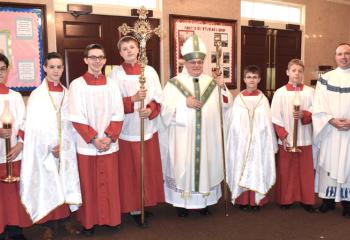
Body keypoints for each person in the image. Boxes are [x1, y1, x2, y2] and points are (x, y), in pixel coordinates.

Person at [160, 35, 232, 217]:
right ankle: (180, 204)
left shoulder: (211, 82)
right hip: (183, 138)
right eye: (193, 62)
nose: (197, 66)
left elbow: (226, 105)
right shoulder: (173, 84)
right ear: (185, 63)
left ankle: (205, 203)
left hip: (207, 137)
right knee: (182, 167)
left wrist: (222, 87)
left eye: (200, 62)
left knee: (206, 165)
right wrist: (185, 104)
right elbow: (165, 111)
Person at [20, 52, 82, 239]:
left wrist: (63, 146)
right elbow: (34, 125)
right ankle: (48, 225)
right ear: (45, 68)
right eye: (52, 67)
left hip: (65, 149)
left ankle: (65, 220)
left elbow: (72, 123)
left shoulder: (68, 93)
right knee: (49, 183)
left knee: (65, 182)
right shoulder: (37, 95)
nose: (56, 71)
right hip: (44, 151)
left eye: (59, 67)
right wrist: (50, 146)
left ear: (63, 69)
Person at [68, 44, 124, 235]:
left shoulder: (112, 85)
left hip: (108, 143)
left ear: (105, 60)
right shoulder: (76, 85)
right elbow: (76, 116)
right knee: (88, 184)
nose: (97, 61)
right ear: (85, 60)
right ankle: (88, 222)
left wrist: (108, 137)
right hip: (87, 145)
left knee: (110, 182)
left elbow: (118, 113)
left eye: (100, 57)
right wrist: (94, 140)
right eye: (92, 57)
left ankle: (111, 219)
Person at [108, 36, 164, 226]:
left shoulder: (149, 71)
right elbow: (111, 103)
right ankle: (133, 207)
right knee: (130, 170)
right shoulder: (115, 74)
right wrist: (131, 100)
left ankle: (145, 202)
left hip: (146, 128)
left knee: (146, 168)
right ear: (120, 53)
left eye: (132, 47)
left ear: (138, 50)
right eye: (124, 48)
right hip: (126, 129)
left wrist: (150, 109)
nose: (129, 51)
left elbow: (158, 97)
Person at [225, 65, 277, 211]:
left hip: (259, 143)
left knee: (257, 168)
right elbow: (234, 122)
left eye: (254, 77)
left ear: (259, 79)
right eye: (249, 77)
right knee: (241, 167)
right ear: (244, 79)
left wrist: (259, 135)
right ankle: (243, 201)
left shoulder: (263, 100)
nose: (251, 80)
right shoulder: (239, 99)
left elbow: (267, 123)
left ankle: (255, 201)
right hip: (242, 143)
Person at [271, 59, 315, 212]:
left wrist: (305, 114)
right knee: (286, 170)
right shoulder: (280, 92)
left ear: (303, 73)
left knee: (305, 170)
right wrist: (282, 135)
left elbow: (316, 112)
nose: (297, 74)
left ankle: (306, 199)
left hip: (305, 137)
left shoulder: (310, 92)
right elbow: (275, 116)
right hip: (287, 138)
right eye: (294, 70)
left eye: (300, 71)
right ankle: (286, 199)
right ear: (287, 72)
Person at [313, 43, 350, 217]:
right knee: (328, 164)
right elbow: (319, 104)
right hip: (331, 130)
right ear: (335, 57)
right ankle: (327, 201)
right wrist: (332, 120)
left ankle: (348, 204)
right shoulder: (326, 78)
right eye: (340, 54)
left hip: (349, 132)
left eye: (347, 53)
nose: (343, 57)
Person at [0, 53, 31, 240]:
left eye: (3, 69)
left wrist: (20, 143)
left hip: (13, 153)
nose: (0, 73)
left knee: (13, 194)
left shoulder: (16, 96)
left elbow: (26, 122)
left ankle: (14, 228)